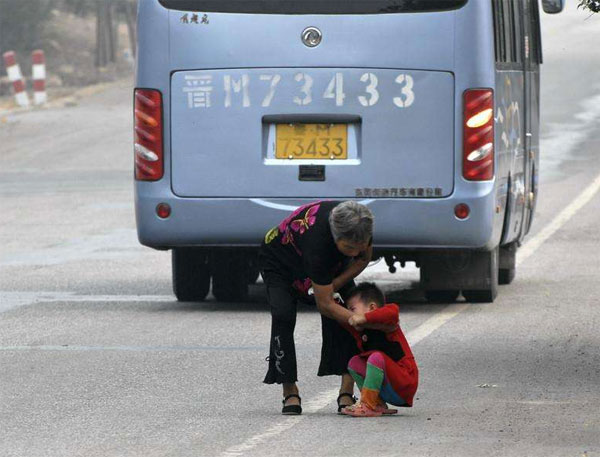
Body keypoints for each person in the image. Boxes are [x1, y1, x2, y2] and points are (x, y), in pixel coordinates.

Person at [259, 200, 374, 415]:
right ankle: (289, 391)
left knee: (351, 307)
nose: (355, 252)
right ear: (335, 236)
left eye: (360, 246)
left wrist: (335, 288)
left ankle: (346, 392)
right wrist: (357, 319)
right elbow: (325, 305)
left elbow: (361, 260)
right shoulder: (319, 244)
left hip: (330, 266)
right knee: (283, 315)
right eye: (349, 248)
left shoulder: (361, 226)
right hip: (281, 262)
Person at [340, 282, 419, 417]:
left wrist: (363, 317)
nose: (351, 315)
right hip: (388, 387)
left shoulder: (388, 321)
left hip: (404, 384)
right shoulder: (363, 331)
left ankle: (367, 404)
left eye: (352, 309)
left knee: (376, 357)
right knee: (354, 362)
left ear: (372, 307)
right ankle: (376, 403)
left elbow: (392, 311)